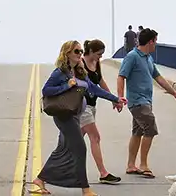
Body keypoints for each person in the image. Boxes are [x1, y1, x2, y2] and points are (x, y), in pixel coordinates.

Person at [30, 40, 125, 196]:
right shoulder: (60, 72)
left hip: (76, 115)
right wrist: (67, 85)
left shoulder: (80, 71)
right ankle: (85, 189)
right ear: (67, 53)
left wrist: (114, 98)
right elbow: (46, 90)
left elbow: (94, 88)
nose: (80, 54)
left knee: (63, 149)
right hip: (64, 116)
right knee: (80, 148)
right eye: (76, 51)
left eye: (81, 51)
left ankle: (40, 179)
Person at [117, 28, 176, 179]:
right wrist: (120, 97)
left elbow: (158, 77)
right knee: (150, 128)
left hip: (146, 100)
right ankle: (143, 165)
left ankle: (130, 165)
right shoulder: (132, 56)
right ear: (150, 41)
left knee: (137, 131)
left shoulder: (148, 58)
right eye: (155, 41)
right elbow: (121, 76)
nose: (156, 44)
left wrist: (175, 94)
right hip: (137, 101)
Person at [77, 39, 120, 184]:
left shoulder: (97, 64)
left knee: (73, 141)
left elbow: (100, 82)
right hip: (82, 107)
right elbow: (89, 87)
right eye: (98, 54)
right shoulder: (80, 64)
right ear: (90, 51)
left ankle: (52, 173)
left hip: (92, 106)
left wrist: (114, 99)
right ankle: (103, 173)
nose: (100, 57)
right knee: (95, 138)